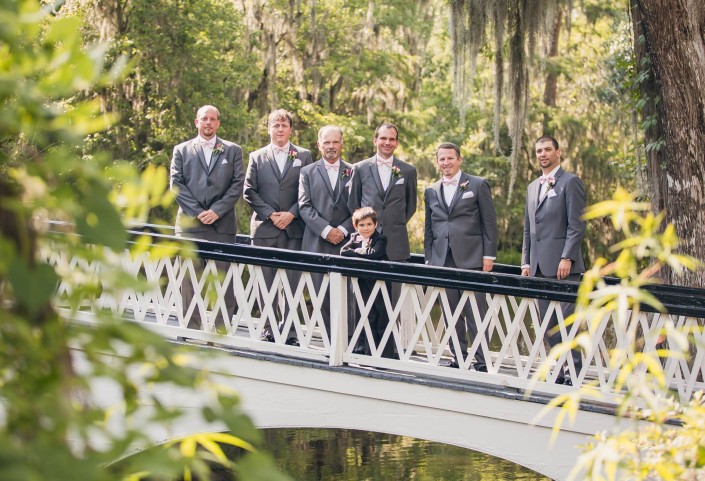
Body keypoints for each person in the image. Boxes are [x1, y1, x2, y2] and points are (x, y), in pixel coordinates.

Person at [170, 105, 244, 333]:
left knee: (224, 280)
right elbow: (176, 184)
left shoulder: (232, 151)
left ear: (218, 123)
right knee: (188, 279)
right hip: (190, 225)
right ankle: (190, 328)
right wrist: (196, 212)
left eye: (213, 119)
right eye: (204, 119)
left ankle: (222, 329)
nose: (208, 123)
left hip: (222, 225)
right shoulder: (181, 150)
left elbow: (237, 184)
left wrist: (217, 211)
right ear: (196, 122)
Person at [424, 142, 497, 371]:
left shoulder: (477, 184)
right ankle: (459, 358)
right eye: (442, 159)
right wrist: (429, 258)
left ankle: (482, 361)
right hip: (442, 259)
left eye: (450, 158)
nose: (446, 163)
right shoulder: (431, 190)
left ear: (459, 159)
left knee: (475, 312)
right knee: (451, 313)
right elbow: (429, 227)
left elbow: (489, 222)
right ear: (438, 162)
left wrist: (489, 255)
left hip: (472, 257)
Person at [244, 109, 313, 346]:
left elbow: (309, 191)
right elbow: (249, 191)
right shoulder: (257, 156)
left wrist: (292, 214)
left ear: (290, 129)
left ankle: (291, 332)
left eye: (284, 125)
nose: (280, 129)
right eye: (275, 125)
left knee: (292, 283)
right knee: (265, 282)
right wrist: (271, 215)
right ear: (269, 129)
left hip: (294, 229)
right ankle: (268, 329)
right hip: (265, 228)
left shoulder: (304, 156)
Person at [521, 135, 586, 386]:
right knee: (547, 326)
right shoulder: (532, 187)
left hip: (563, 267)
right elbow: (528, 229)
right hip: (538, 267)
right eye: (538, 151)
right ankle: (557, 372)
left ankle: (574, 374)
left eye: (547, 149)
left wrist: (567, 256)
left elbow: (577, 224)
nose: (542, 154)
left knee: (567, 325)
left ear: (558, 152)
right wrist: (526, 262)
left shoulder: (570, 183)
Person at [298, 125, 354, 336]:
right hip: (316, 241)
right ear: (319, 144)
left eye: (335, 142)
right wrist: (326, 230)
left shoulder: (353, 171)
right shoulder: (307, 172)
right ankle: (330, 341)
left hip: (346, 243)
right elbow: (304, 206)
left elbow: (359, 206)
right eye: (327, 142)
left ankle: (349, 340)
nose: (331, 146)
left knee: (348, 294)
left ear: (341, 144)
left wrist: (342, 229)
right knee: (319, 294)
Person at [348, 123, 417, 262]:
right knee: (364, 283)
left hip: (396, 242)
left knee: (395, 283)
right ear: (375, 141)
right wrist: (366, 227)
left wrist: (395, 222)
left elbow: (411, 206)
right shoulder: (360, 168)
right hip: (366, 242)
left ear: (397, 143)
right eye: (383, 138)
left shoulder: (408, 170)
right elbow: (353, 204)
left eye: (392, 139)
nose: (387, 142)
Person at [340, 207, 394, 358]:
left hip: (379, 283)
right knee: (366, 315)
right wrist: (360, 251)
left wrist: (357, 252)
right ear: (356, 226)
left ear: (375, 225)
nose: (366, 228)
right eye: (362, 225)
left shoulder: (380, 239)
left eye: (369, 224)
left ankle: (384, 354)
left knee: (382, 315)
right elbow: (343, 252)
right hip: (363, 284)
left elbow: (374, 254)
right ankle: (365, 351)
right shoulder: (355, 238)